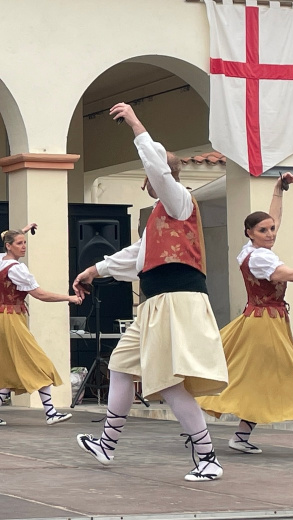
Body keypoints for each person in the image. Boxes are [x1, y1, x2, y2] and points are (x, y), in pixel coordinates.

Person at [73, 102, 229, 482]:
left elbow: (159, 169)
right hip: (157, 303)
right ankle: (108, 443)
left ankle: (207, 457)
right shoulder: (161, 212)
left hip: (176, 300)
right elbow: (137, 256)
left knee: (167, 380)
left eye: (151, 171)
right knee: (121, 365)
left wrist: (135, 123)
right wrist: (94, 270)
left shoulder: (179, 201)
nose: (148, 176)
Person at [197, 174, 293, 458]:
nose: (270, 233)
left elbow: (274, 217)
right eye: (263, 230)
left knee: (261, 379)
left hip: (263, 320)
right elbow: (292, 275)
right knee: (290, 375)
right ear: (250, 233)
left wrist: (278, 189)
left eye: (271, 229)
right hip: (265, 324)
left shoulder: (251, 250)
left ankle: (241, 436)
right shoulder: (260, 258)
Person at [0, 226, 80, 427]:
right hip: (12, 318)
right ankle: (51, 412)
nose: (24, 246)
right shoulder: (17, 269)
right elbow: (40, 294)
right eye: (19, 243)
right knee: (38, 361)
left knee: (7, 366)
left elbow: (4, 236)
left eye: (25, 242)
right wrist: (68, 298)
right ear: (9, 246)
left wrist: (24, 230)